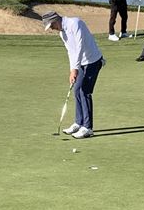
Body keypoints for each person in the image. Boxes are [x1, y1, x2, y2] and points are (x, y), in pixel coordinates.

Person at [42, 11, 104, 139]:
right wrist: (72, 70)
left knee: (85, 91)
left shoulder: (75, 23)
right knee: (77, 90)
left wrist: (75, 68)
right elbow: (71, 51)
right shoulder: (62, 33)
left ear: (55, 20)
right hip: (80, 63)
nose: (52, 29)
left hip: (92, 61)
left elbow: (80, 46)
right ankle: (78, 122)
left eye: (51, 25)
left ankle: (88, 128)